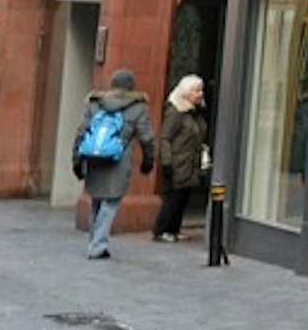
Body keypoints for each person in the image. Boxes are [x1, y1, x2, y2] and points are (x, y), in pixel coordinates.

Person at [70, 68, 152, 259]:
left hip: (94, 158)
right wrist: (148, 160)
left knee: (97, 200)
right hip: (119, 160)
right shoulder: (138, 107)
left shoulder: (95, 104)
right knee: (111, 202)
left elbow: (81, 133)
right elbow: (147, 137)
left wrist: (77, 161)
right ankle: (98, 245)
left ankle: (94, 241)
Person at [151, 75, 213, 245]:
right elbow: (165, 138)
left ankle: (173, 230)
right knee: (173, 198)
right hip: (177, 162)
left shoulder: (196, 113)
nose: (200, 94)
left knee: (183, 197)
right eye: (196, 90)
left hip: (190, 162)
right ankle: (161, 230)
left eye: (201, 90)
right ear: (186, 93)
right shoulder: (176, 112)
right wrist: (167, 162)